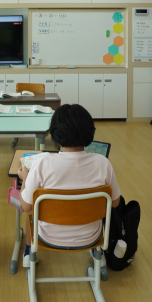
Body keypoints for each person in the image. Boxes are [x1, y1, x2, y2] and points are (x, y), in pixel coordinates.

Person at [18, 104, 121, 268]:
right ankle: (97, 252)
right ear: (89, 132)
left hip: (48, 236)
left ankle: (29, 252)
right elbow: (115, 203)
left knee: (31, 208)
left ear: (55, 132)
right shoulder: (103, 163)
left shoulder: (42, 163)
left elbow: (25, 205)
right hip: (91, 236)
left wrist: (25, 178)